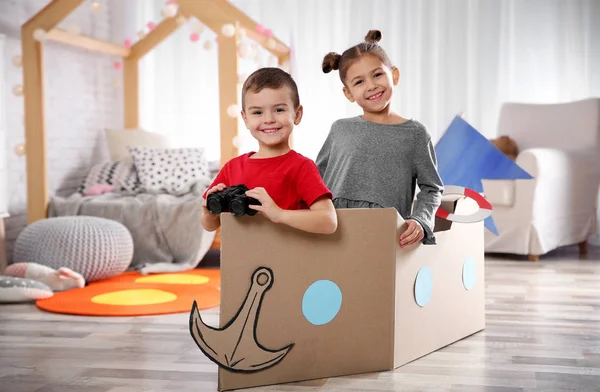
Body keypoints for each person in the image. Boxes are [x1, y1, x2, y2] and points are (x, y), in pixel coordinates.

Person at [316, 29, 443, 246]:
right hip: (334, 230)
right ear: (348, 93)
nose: (371, 86)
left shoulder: (415, 134)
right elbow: (315, 179)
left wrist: (421, 220)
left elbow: (432, 188)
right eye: (359, 82)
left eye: (377, 75)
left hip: (385, 233)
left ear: (394, 75)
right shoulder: (340, 129)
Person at [201, 67, 338, 235]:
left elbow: (329, 221)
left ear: (297, 114)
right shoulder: (233, 167)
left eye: (279, 110)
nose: (269, 120)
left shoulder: (301, 167)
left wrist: (279, 214)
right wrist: (208, 211)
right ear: (245, 119)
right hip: (242, 257)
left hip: (286, 257)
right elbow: (209, 225)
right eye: (257, 112)